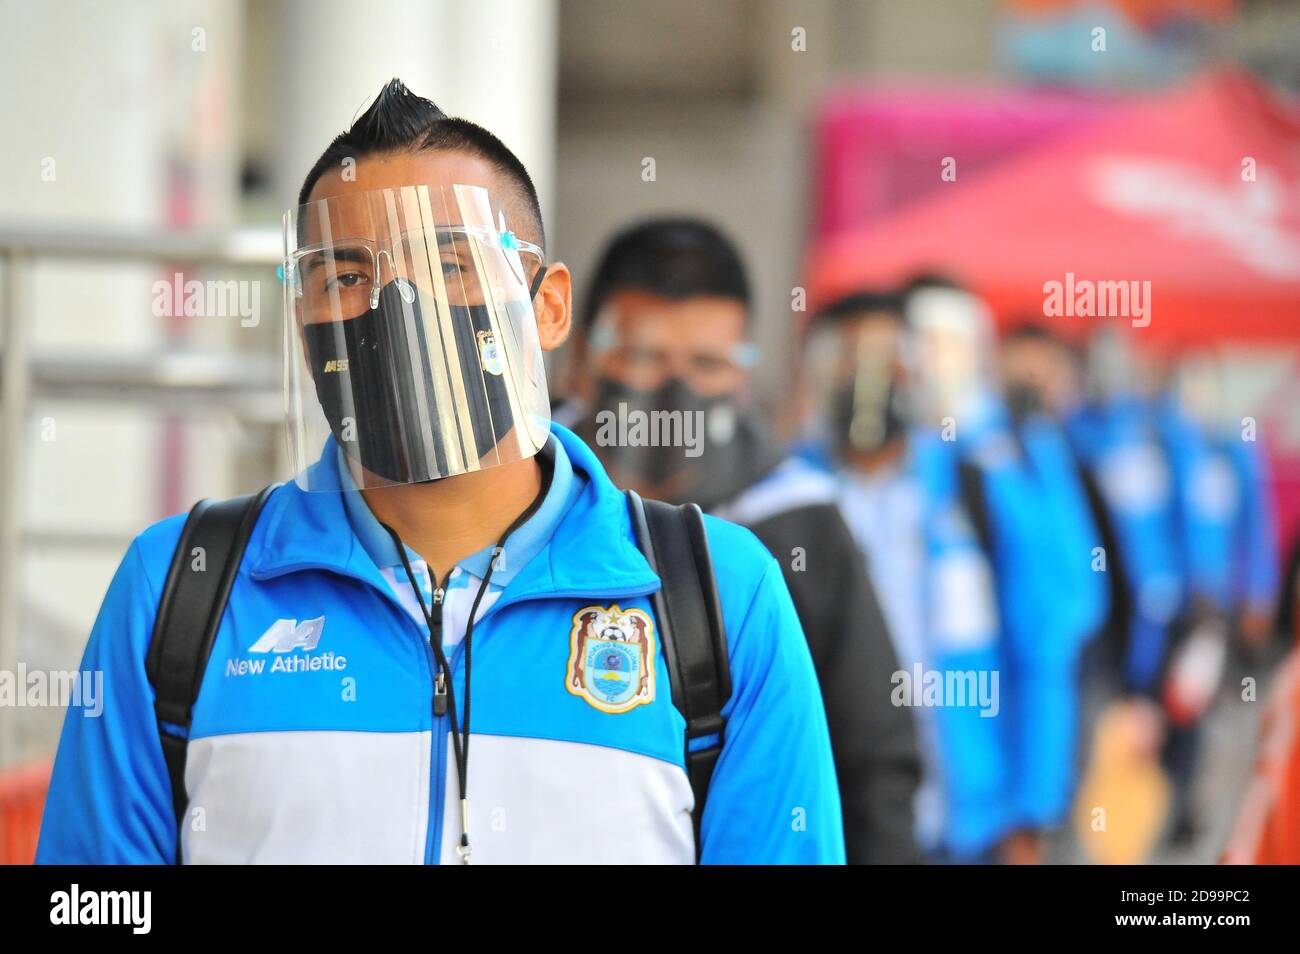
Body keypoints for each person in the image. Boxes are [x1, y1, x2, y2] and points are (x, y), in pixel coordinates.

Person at [36, 80, 844, 865]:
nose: (397, 305)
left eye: (452, 263)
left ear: (549, 308)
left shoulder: (716, 598)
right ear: (302, 314)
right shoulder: (182, 588)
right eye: (345, 276)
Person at [559, 218, 920, 863]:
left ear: (745, 375)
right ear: (583, 359)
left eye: (708, 363)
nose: (676, 389)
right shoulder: (516, 497)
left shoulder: (798, 518)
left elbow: (872, 755)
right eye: (644, 356)